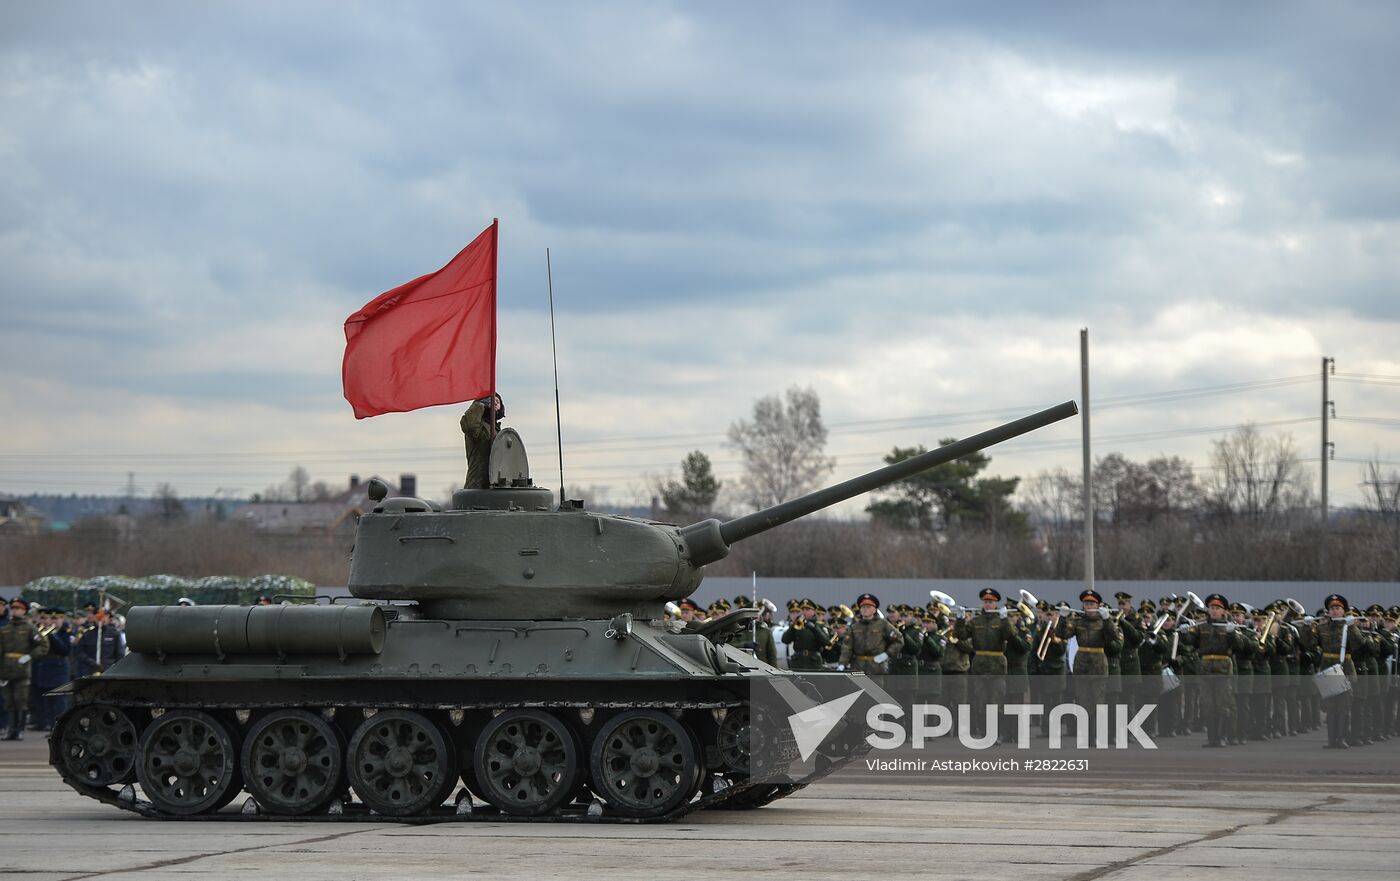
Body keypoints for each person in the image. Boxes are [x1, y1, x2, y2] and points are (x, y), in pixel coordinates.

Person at [1180, 593, 1251, 748]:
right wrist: (1184, 632)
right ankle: (1212, 738)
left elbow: (1239, 647)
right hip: (1205, 668)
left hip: (1223, 668)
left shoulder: (1229, 626)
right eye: (1211, 608)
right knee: (1207, 705)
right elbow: (1191, 643)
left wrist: (1233, 633)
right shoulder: (1202, 626)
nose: (1213, 611)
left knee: (1223, 705)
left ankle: (1222, 737)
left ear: (1224, 611)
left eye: (1217, 608)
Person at [1055, 589, 1120, 745]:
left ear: (1098, 605)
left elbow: (1113, 636)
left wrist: (1107, 619)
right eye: (1086, 604)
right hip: (1082, 665)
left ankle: (1100, 735)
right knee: (1083, 701)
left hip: (1098, 664)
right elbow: (1062, 634)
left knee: (1099, 702)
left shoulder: (1103, 621)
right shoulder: (1078, 621)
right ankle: (1088, 737)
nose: (1089, 606)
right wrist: (1062, 618)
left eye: (1092, 603)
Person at [1, 598, 50, 740]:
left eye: (18, 609)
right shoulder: (5, 629)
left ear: (24, 611)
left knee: (20, 701)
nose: (15, 611)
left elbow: (43, 645)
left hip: (22, 670)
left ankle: (19, 730)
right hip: (6, 670)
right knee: (9, 702)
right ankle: (11, 730)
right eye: (13, 608)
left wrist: (30, 656)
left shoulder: (29, 628)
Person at [31, 608, 73, 732]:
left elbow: (65, 649)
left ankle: (61, 728)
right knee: (47, 702)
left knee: (59, 702)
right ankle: (51, 727)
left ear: (62, 619)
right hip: (44, 669)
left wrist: (52, 636)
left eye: (55, 618)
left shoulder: (66, 632)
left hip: (59, 669)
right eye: (50, 618)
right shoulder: (42, 631)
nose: (52, 621)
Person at [839, 594, 901, 678]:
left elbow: (899, 640)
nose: (865, 609)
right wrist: (842, 663)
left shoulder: (883, 624)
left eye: (868, 607)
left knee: (875, 690)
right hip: (857, 667)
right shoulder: (854, 627)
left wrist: (887, 654)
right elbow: (847, 647)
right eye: (863, 607)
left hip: (876, 668)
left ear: (874, 610)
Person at [461, 393, 505, 489]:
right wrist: (479, 405)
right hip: (478, 486)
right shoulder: (479, 424)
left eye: (498, 401)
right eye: (492, 401)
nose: (495, 404)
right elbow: (471, 426)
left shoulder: (497, 429)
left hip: (497, 486)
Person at [782, 599, 830, 672]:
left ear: (814, 611)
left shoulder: (819, 626)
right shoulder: (797, 624)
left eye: (807, 609)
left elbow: (826, 642)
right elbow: (785, 640)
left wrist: (814, 628)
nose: (804, 612)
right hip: (798, 662)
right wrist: (793, 626)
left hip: (813, 662)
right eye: (802, 609)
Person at [75, 607, 125, 678]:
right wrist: (90, 661)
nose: (102, 618)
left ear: (108, 618)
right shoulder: (87, 634)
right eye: (99, 616)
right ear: (95, 617)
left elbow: (120, 655)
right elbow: (79, 652)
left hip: (109, 672)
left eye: (105, 616)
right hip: (90, 672)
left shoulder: (114, 634)